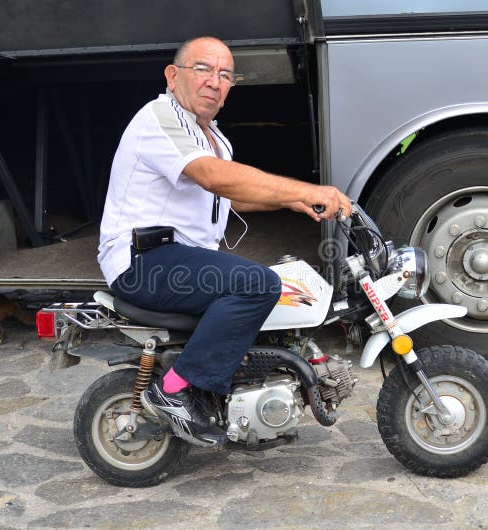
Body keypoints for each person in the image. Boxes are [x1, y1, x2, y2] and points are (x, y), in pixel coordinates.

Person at [97, 36, 352, 447]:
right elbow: (213, 177)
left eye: (225, 75)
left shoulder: (213, 137)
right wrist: (306, 190)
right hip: (144, 262)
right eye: (203, 69)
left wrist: (296, 203)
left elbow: (231, 196)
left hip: (177, 258)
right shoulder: (158, 118)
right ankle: (175, 389)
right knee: (257, 285)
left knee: (273, 283)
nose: (214, 82)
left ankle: (235, 392)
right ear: (172, 75)